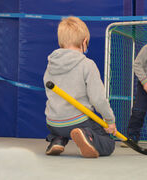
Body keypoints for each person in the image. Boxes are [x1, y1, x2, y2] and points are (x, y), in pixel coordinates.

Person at [43, 16, 117, 158]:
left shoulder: (51, 64)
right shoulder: (87, 64)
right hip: (78, 121)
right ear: (84, 42)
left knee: (61, 129)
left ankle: (57, 139)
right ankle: (86, 134)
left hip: (53, 122)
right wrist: (110, 121)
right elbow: (98, 99)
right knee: (108, 143)